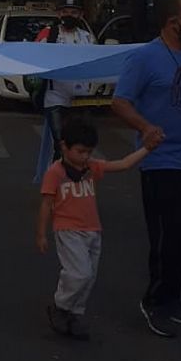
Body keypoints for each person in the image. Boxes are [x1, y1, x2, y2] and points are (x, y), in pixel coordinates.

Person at [112, 0, 181, 337]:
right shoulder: (146, 58)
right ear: (172, 23)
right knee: (165, 238)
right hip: (161, 164)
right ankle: (154, 302)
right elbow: (120, 102)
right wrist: (145, 127)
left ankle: (173, 299)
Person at [37, 115, 152, 340]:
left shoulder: (91, 167)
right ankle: (60, 306)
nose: (85, 157)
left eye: (89, 152)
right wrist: (41, 233)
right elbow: (46, 204)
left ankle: (74, 313)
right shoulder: (55, 173)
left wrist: (147, 148)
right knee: (79, 273)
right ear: (64, 147)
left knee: (89, 277)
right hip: (68, 229)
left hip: (92, 230)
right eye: (80, 151)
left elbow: (123, 164)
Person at [42, 9, 93, 157]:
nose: (69, 16)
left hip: (80, 98)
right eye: (65, 11)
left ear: (81, 15)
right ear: (58, 14)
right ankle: (57, 178)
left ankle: (76, 178)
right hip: (55, 96)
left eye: (74, 12)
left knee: (81, 144)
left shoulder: (87, 38)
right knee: (62, 145)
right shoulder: (48, 34)